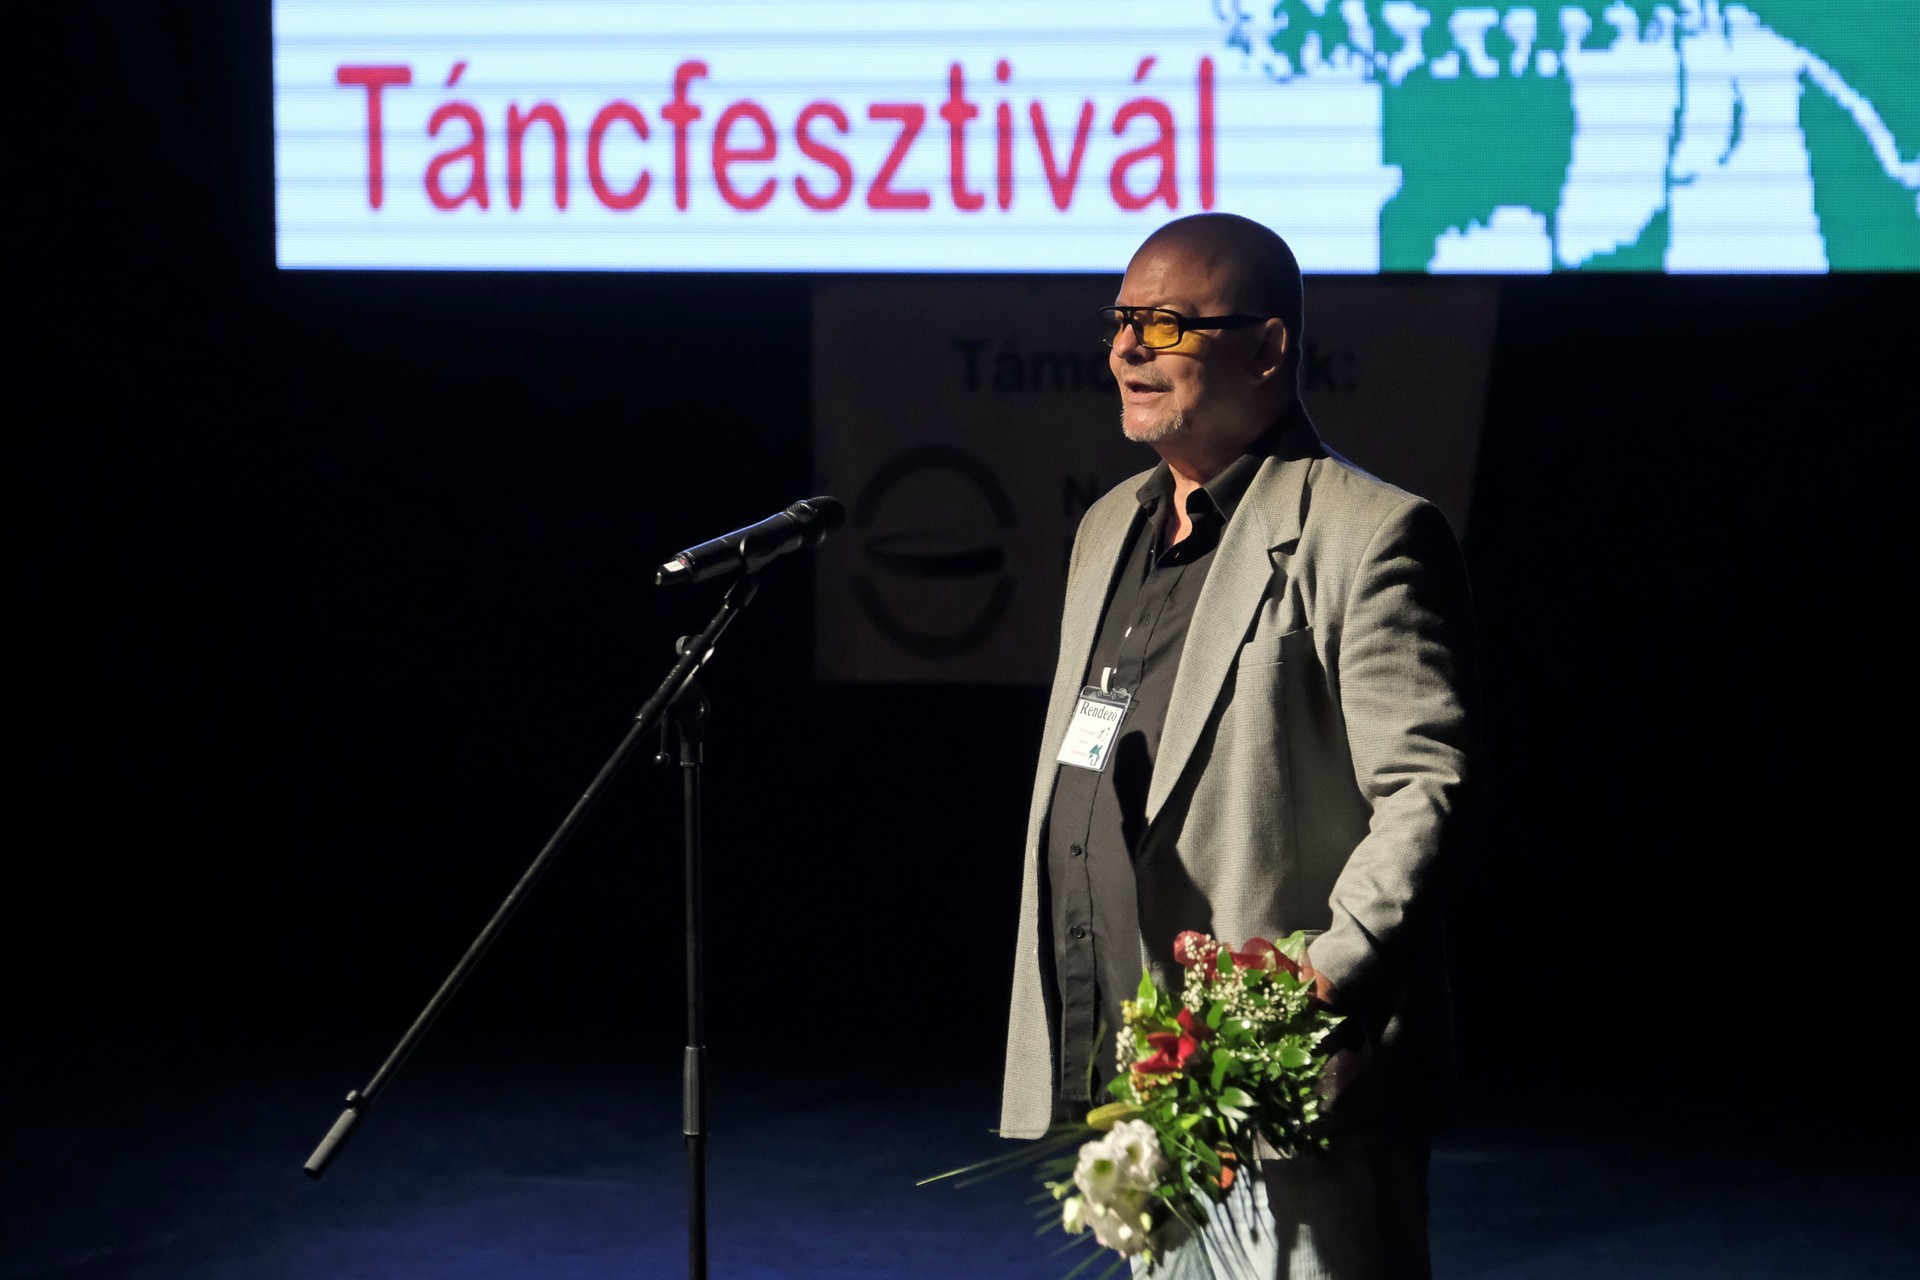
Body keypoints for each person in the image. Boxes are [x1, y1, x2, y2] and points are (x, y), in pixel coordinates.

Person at [999, 213, 1479, 1278]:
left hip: (1291, 1090)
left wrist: (1311, 987)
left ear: (1266, 348)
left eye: (1167, 324)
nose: (1129, 347)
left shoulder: (1370, 532)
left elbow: (1425, 792)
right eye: (1122, 320)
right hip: (1136, 1081)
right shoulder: (1108, 527)